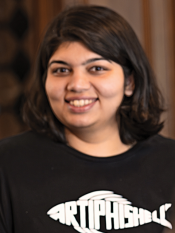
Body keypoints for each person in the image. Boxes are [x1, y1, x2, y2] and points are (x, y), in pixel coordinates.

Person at [0, 4, 175, 233]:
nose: (77, 84)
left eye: (97, 68)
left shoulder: (169, 162)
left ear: (129, 82)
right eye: (61, 70)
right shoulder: (7, 162)